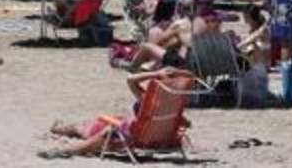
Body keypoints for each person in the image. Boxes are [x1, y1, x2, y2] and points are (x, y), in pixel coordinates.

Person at [40, 68, 192, 159]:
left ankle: (63, 146)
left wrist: (155, 73)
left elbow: (130, 79)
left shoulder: (149, 100)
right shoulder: (174, 105)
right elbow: (187, 124)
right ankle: (60, 129)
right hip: (157, 139)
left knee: (85, 130)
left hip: (127, 138)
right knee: (92, 125)